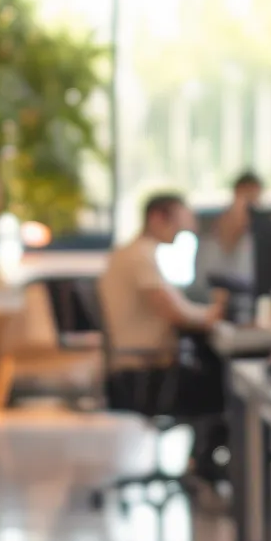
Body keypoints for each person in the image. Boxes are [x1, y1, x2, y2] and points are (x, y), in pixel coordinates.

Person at [99, 192, 227, 477]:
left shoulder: (132, 254)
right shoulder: (139, 257)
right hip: (144, 377)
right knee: (229, 386)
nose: (183, 232)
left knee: (215, 374)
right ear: (157, 218)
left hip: (139, 372)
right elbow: (176, 312)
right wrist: (214, 313)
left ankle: (201, 463)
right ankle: (204, 467)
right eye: (179, 223)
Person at [190, 170, 262, 304]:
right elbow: (228, 243)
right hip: (216, 294)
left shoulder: (254, 225)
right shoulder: (225, 221)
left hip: (243, 292)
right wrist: (242, 205)